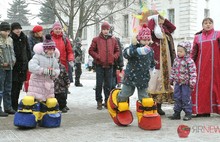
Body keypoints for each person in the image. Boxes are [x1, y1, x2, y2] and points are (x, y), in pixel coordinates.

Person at [117, 24, 155, 106]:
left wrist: (152, 69)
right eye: (144, 40)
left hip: (143, 77)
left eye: (148, 40)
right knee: (126, 93)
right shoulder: (133, 47)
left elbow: (152, 62)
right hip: (131, 76)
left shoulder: (150, 50)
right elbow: (126, 54)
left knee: (144, 96)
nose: (146, 42)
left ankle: (145, 111)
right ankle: (118, 103)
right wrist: (137, 51)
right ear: (139, 39)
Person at [147, 14, 176, 115]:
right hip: (156, 61)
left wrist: (165, 20)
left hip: (166, 61)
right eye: (159, 19)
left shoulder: (164, 29)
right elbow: (147, 30)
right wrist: (153, 20)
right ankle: (151, 106)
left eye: (162, 19)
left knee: (164, 83)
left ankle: (159, 106)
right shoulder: (153, 30)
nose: (161, 20)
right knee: (154, 83)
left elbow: (173, 27)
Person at [191, 17, 220, 117]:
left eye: (210, 23)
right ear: (202, 25)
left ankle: (216, 108)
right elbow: (193, 53)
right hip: (200, 67)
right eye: (205, 23)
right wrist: (189, 64)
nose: (208, 24)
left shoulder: (218, 34)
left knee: (215, 87)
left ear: (213, 24)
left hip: (215, 67)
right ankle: (202, 111)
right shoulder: (197, 37)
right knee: (201, 88)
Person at [89, 21, 120, 110]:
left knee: (108, 85)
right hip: (100, 65)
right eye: (104, 29)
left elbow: (117, 51)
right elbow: (91, 50)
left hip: (110, 65)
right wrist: (98, 57)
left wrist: (114, 57)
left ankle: (107, 101)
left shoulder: (113, 40)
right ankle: (99, 101)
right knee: (99, 84)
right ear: (101, 30)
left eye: (107, 29)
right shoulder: (96, 39)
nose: (106, 31)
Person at [27, 34, 60, 101]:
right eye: (49, 49)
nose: (51, 51)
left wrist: (54, 73)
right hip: (36, 83)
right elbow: (31, 66)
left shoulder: (53, 59)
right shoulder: (37, 56)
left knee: (49, 101)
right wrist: (43, 70)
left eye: (53, 50)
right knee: (36, 99)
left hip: (48, 83)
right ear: (45, 50)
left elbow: (57, 69)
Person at [169, 41, 197, 121]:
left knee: (186, 98)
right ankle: (177, 113)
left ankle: (188, 113)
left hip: (186, 83)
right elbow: (173, 70)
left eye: (181, 51)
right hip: (178, 83)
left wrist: (192, 82)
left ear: (187, 51)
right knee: (177, 97)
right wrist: (171, 79)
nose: (179, 53)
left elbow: (193, 72)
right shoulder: (176, 60)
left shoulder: (189, 61)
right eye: (178, 51)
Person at [50, 21, 74, 108]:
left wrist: (70, 59)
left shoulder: (65, 39)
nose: (58, 30)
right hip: (51, 64)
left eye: (59, 29)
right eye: (56, 29)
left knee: (64, 84)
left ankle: (64, 103)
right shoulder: (49, 39)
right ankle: (53, 103)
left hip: (63, 65)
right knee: (52, 84)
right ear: (53, 29)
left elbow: (70, 51)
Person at [10, 22, 32, 111]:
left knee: (19, 86)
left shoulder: (24, 37)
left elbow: (28, 50)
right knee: (13, 86)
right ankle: (12, 105)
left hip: (23, 65)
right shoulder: (11, 38)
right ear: (12, 30)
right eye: (16, 29)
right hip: (14, 66)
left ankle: (15, 105)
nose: (18, 30)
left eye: (19, 28)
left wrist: (29, 61)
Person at [0, 22, 16, 117]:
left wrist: (13, 60)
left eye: (8, 31)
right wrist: (2, 63)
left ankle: (8, 107)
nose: (7, 33)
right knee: (0, 89)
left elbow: (12, 51)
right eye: (5, 31)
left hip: (10, 67)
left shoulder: (10, 39)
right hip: (1, 67)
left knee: (8, 88)